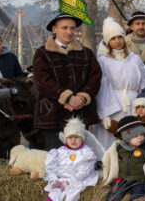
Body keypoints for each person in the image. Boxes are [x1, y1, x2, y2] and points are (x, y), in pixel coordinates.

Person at [32, 13, 102, 149]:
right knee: (55, 155)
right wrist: (67, 97)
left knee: (81, 155)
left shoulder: (86, 53)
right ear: (54, 29)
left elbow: (95, 77)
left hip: (81, 113)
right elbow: (42, 81)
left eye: (72, 28)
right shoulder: (42, 53)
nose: (69, 32)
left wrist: (82, 97)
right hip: (52, 114)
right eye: (64, 28)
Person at [95, 17, 145, 147]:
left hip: (133, 105)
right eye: (113, 38)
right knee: (111, 139)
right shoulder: (103, 61)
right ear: (107, 41)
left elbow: (144, 83)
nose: (117, 41)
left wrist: (144, 104)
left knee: (134, 137)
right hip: (113, 107)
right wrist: (105, 112)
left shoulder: (135, 59)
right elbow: (102, 88)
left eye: (120, 37)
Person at [44, 118, 102, 201]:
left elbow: (84, 172)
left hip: (76, 180)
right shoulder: (60, 151)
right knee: (54, 195)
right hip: (60, 180)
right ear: (66, 138)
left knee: (69, 197)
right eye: (70, 137)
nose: (73, 140)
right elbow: (51, 168)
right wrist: (54, 180)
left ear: (82, 138)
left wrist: (68, 182)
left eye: (76, 137)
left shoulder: (86, 153)